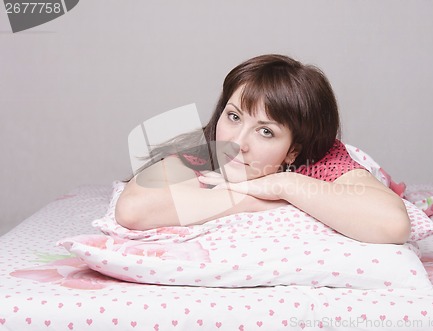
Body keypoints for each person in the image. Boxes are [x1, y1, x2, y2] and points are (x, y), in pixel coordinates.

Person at [115, 54, 410, 244]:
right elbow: (133, 209)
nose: (237, 143)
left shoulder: (321, 161)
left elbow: (393, 224)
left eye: (265, 131)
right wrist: (252, 197)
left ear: (294, 149)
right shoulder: (209, 150)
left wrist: (283, 183)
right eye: (233, 117)